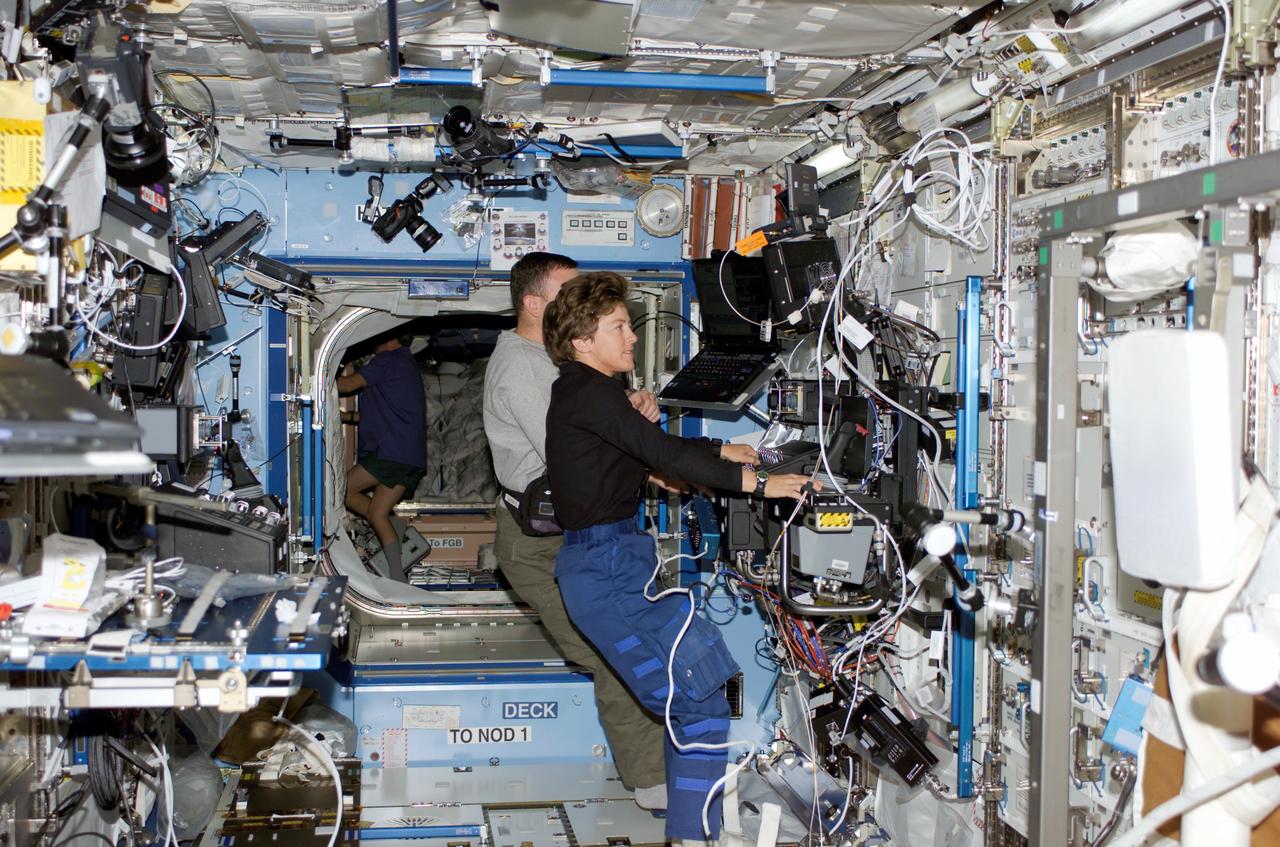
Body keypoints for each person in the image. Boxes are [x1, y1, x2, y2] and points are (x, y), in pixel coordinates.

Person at [542, 272, 816, 845]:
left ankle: (695, 826)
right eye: (619, 327)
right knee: (702, 699)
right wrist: (760, 484)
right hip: (607, 571)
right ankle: (695, 833)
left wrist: (720, 449)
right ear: (582, 341)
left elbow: (643, 451)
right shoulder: (587, 392)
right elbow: (659, 451)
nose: (632, 337)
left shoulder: (588, 393)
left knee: (705, 691)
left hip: (616, 564)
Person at [482, 252, 670, 810]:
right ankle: (653, 783)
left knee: (627, 642)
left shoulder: (553, 360)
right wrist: (639, 432)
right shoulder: (523, 367)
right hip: (540, 545)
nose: (579, 308)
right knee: (615, 652)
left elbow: (597, 427)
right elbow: (576, 456)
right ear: (533, 303)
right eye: (568, 295)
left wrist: (628, 410)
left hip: (575, 535)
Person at [338, 331, 426, 582]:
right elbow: (384, 414)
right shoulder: (406, 364)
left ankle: (396, 572)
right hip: (409, 456)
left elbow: (348, 385)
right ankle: (397, 574)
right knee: (377, 513)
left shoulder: (388, 361)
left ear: (387, 338)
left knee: (342, 492)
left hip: (391, 453)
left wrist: (312, 384)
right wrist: (347, 418)